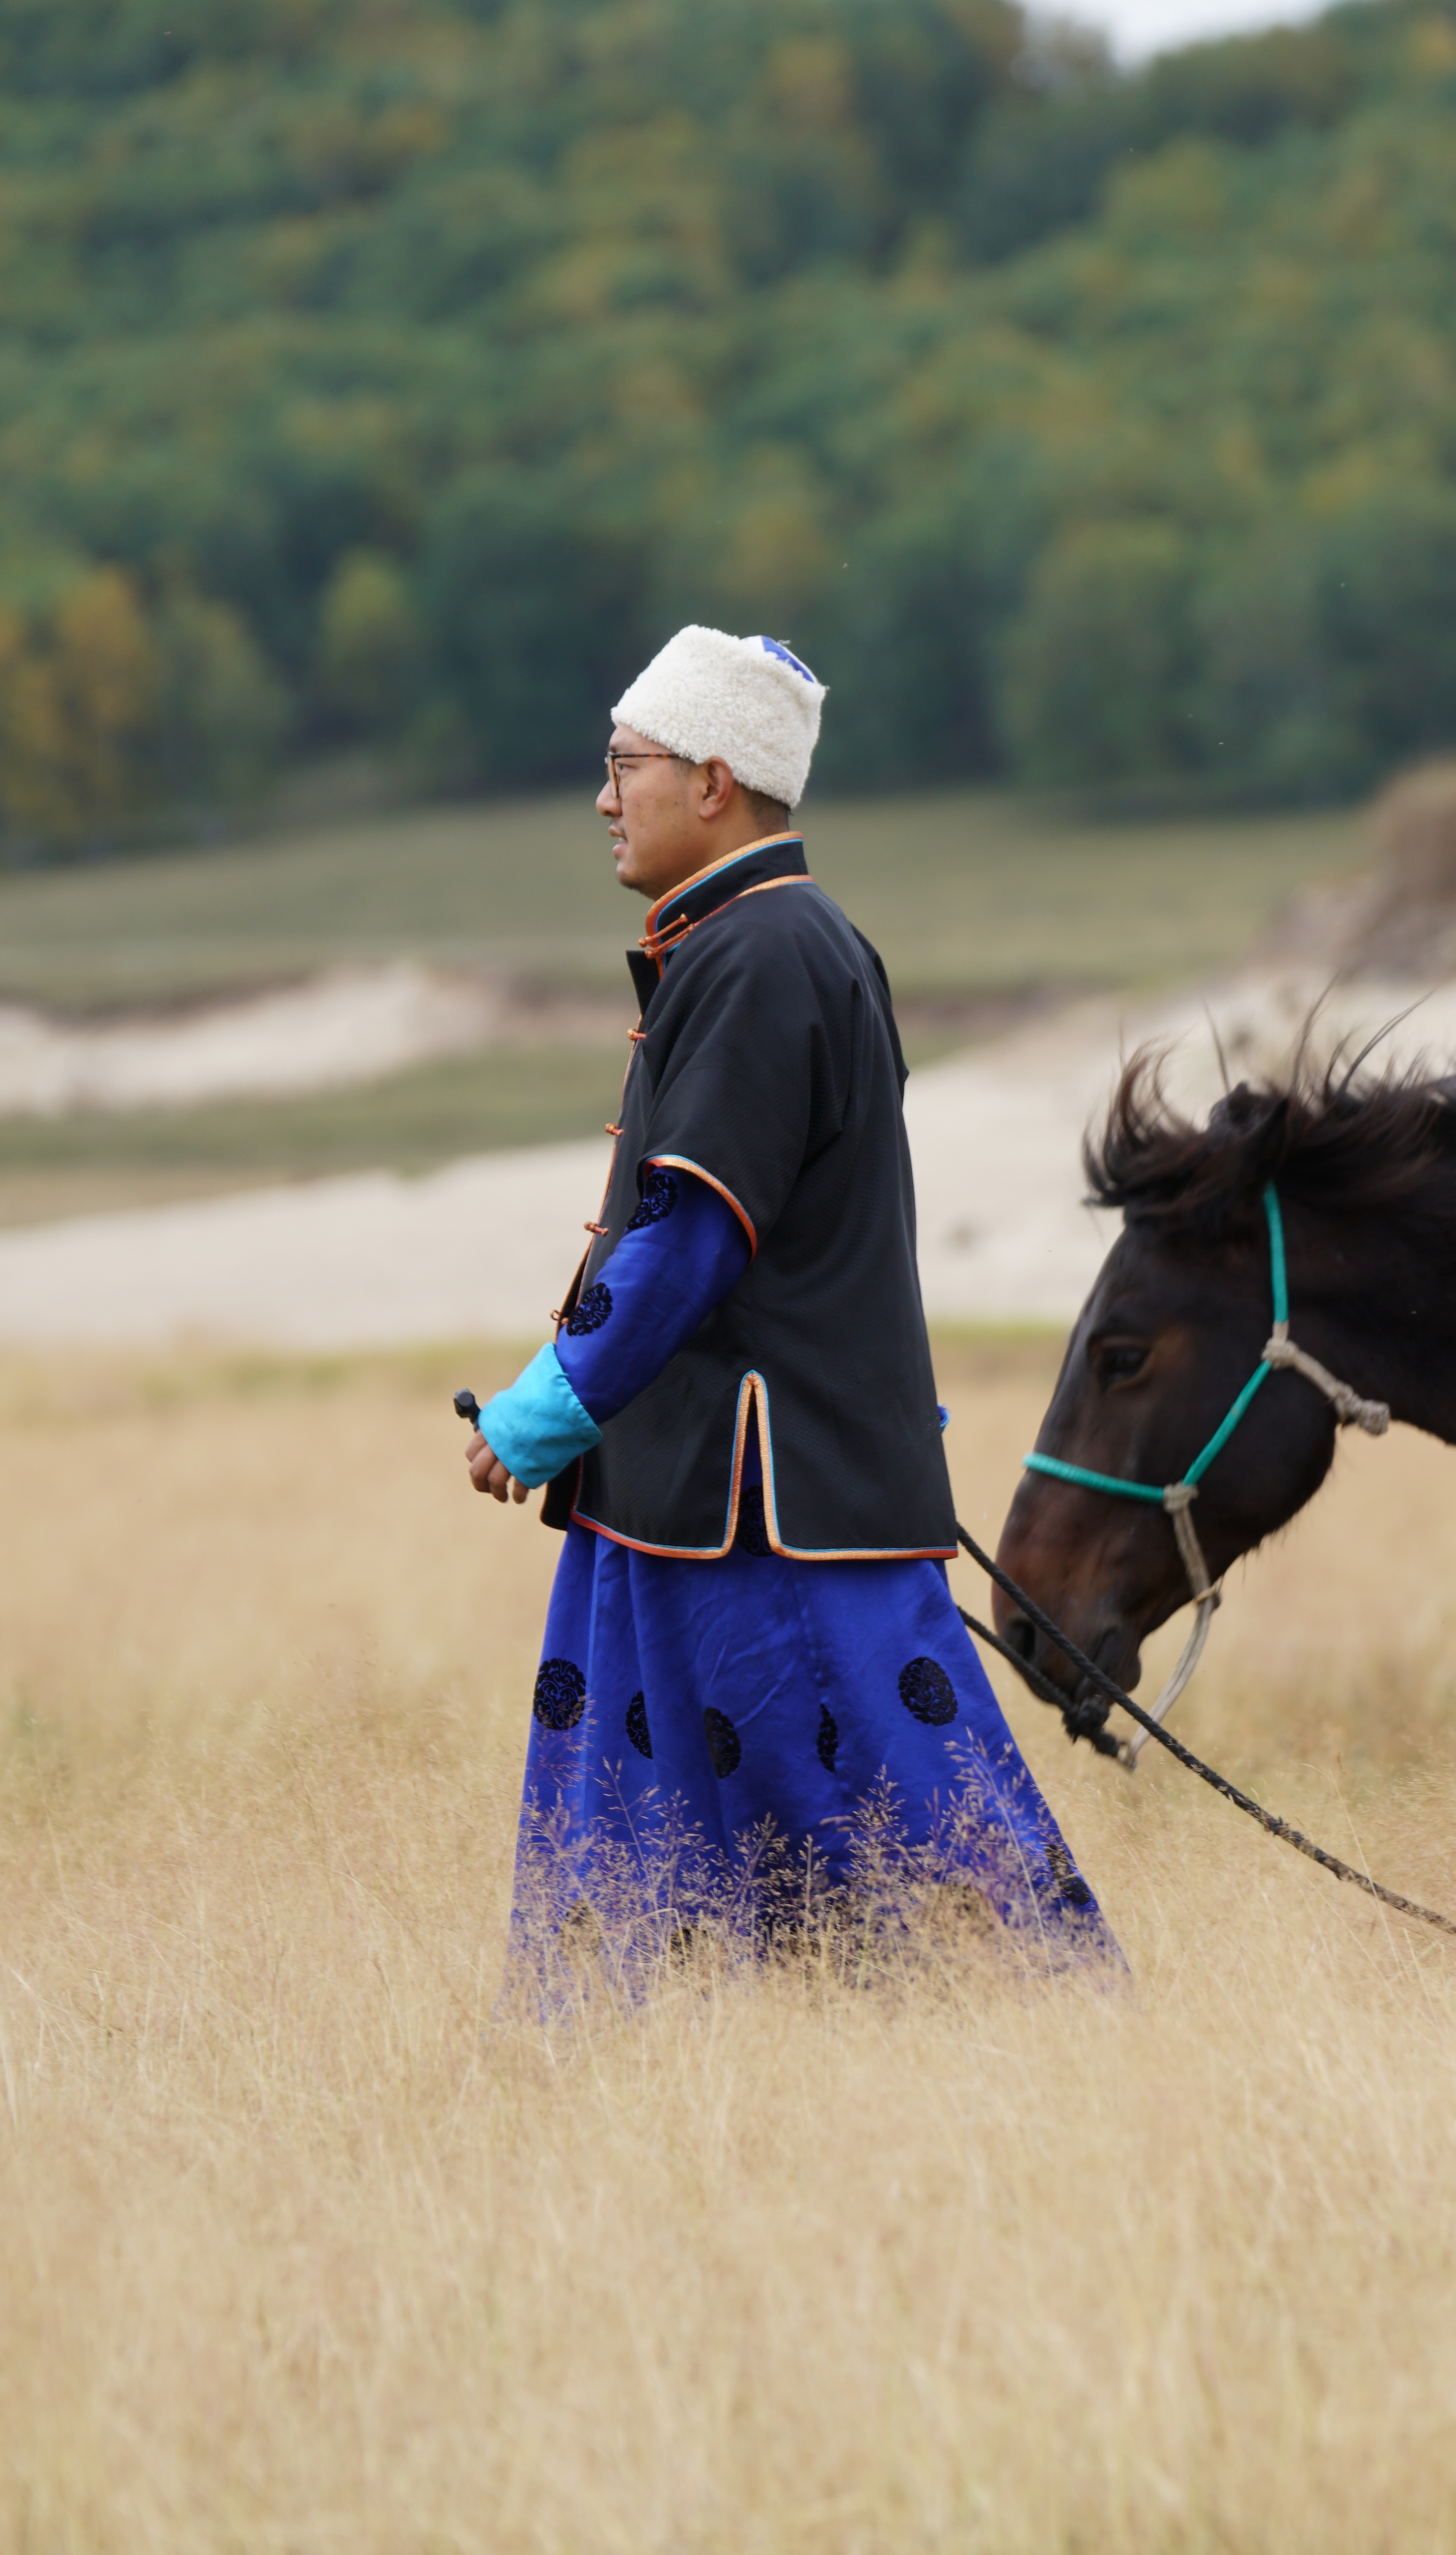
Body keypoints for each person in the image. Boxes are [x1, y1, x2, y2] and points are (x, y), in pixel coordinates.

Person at [461, 626, 1116, 1994]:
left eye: (621, 765)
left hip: (768, 1515)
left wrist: (534, 1414)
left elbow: (687, 1242)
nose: (601, 797)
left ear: (714, 780)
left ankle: (1064, 2055)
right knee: (702, 1877)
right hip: (701, 1497)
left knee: (915, 1845)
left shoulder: (765, 955)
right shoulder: (752, 943)